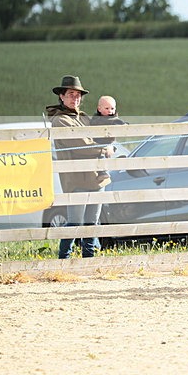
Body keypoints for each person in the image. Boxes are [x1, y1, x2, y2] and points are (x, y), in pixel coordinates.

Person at [45, 75, 112, 258]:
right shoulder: (60, 121)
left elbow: (97, 137)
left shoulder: (82, 118)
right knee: (75, 222)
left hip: (94, 176)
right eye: (71, 94)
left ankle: (88, 259)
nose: (75, 98)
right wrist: (104, 148)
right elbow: (83, 146)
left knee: (92, 222)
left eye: (78, 95)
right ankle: (64, 259)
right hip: (76, 179)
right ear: (62, 96)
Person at [89, 95, 127, 183]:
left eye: (112, 108)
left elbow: (121, 124)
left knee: (104, 154)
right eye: (107, 108)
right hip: (97, 142)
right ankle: (102, 172)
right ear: (99, 109)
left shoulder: (113, 119)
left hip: (107, 142)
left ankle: (104, 172)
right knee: (99, 156)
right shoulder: (95, 119)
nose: (110, 111)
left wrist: (124, 126)